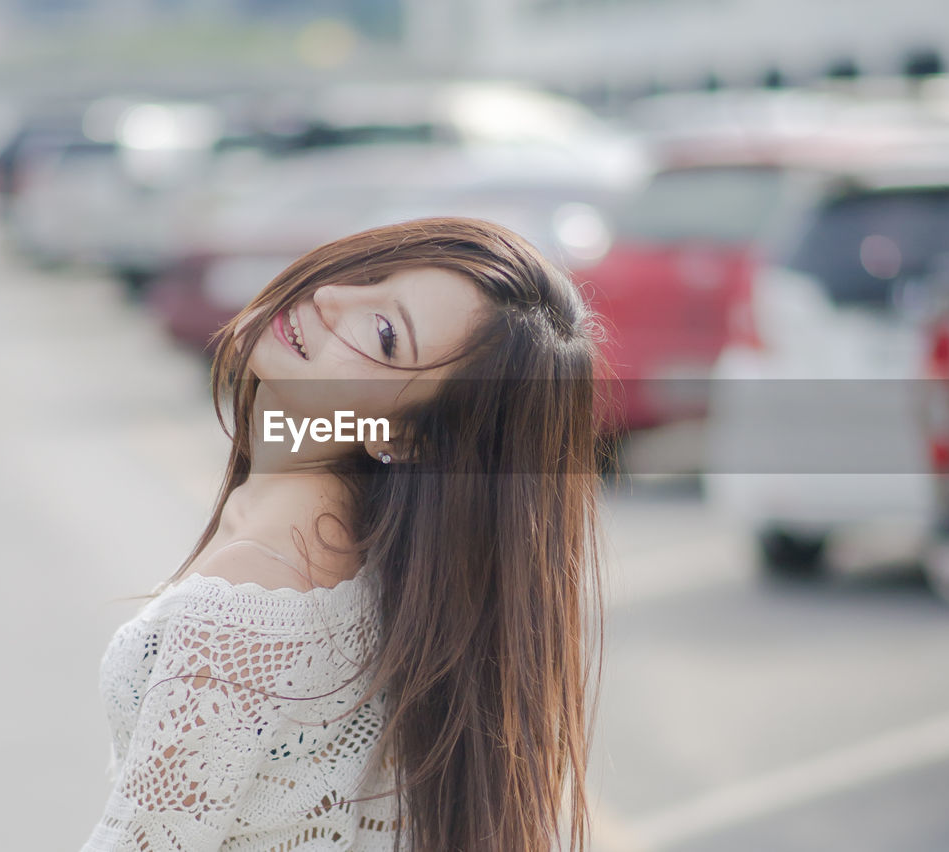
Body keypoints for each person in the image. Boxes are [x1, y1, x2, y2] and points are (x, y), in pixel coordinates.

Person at [81, 217, 605, 852]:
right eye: (369, 273)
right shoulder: (389, 564)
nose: (328, 297)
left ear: (404, 436)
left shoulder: (245, 597)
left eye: (384, 334)